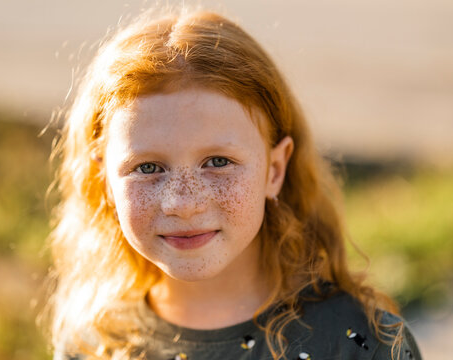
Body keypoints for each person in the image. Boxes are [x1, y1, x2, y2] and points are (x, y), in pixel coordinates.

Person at [44, 8, 422, 360]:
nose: (182, 202)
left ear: (274, 170)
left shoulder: (360, 344)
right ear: (104, 180)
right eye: (147, 167)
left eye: (219, 162)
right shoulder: (93, 340)